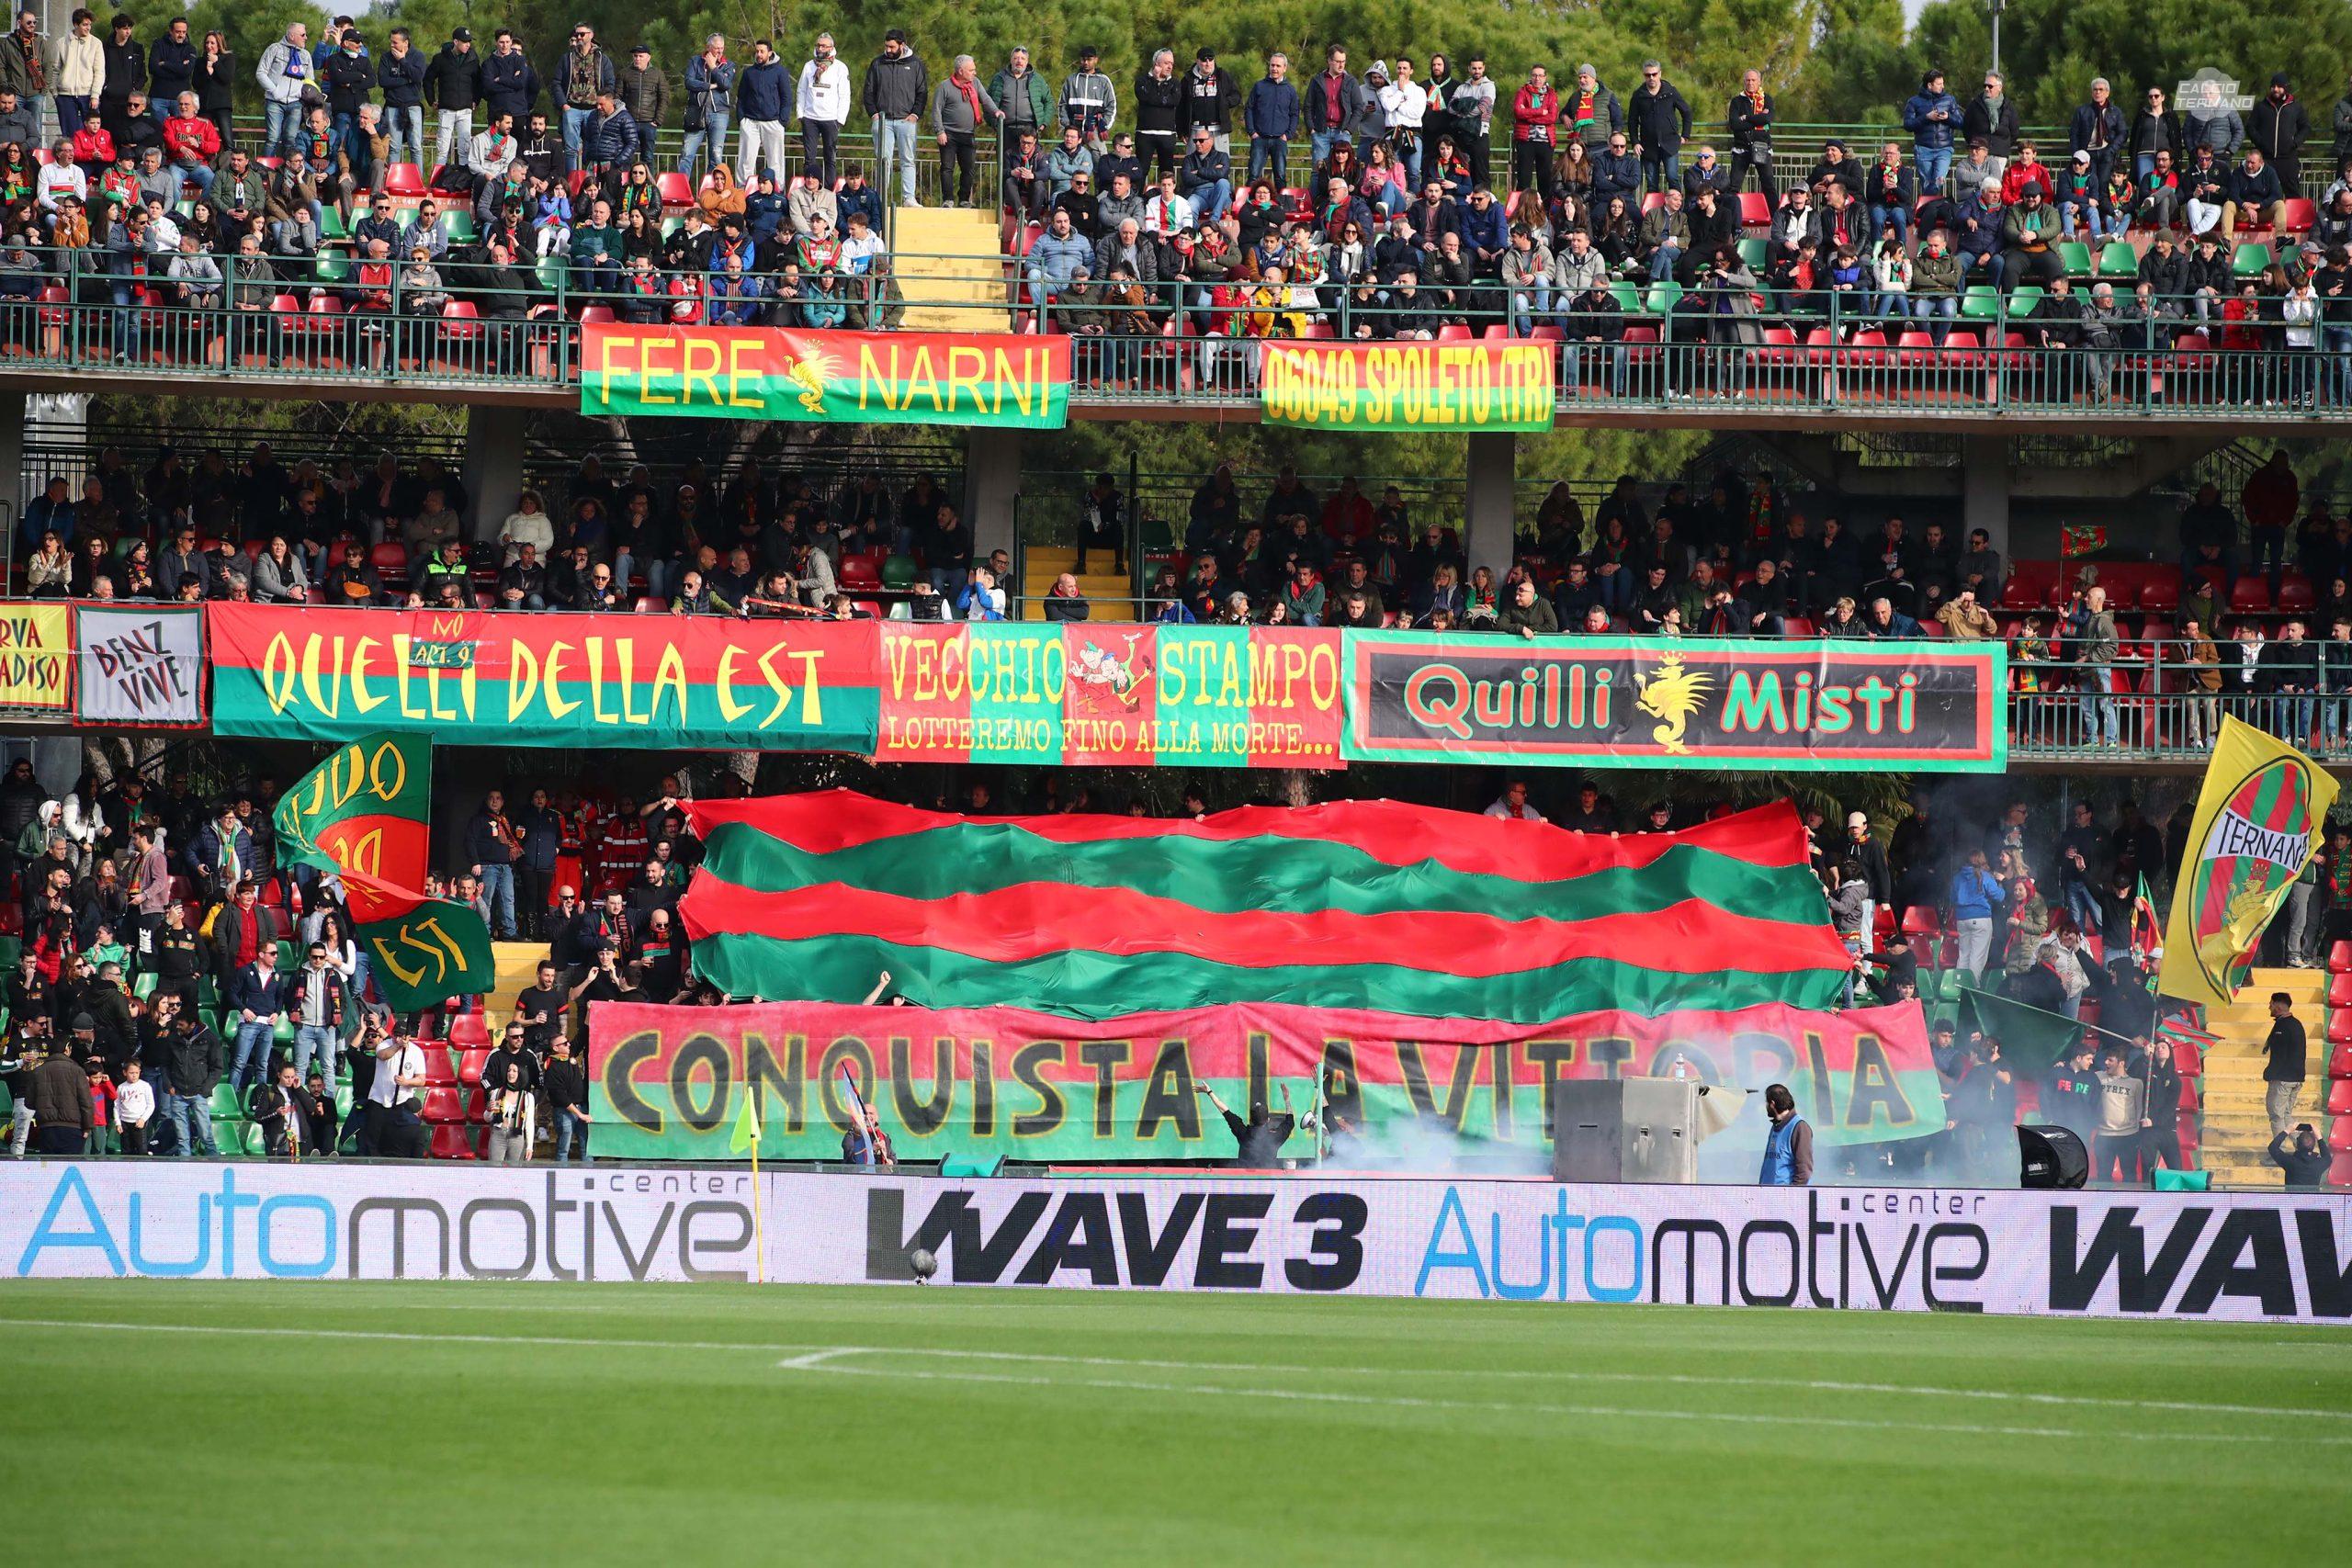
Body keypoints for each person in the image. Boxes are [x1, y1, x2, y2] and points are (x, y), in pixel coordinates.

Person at [365, 1019, 432, 1157]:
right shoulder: (384, 1045)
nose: (398, 1038)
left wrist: (406, 1081)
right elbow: (383, 1056)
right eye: (396, 1034)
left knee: (394, 1142)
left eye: (402, 1035)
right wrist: (398, 1046)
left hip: (401, 1104)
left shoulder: (416, 1052)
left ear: (409, 1036)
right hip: (379, 1100)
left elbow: (421, 1079)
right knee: (373, 1140)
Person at [1196, 1081, 1296, 1168]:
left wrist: (1209, 1092)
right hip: (1268, 1181)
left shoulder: (1243, 1133)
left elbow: (1224, 1110)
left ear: (1250, 1120)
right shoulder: (1276, 1136)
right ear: (1268, 1120)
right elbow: (1290, 1121)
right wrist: (1287, 1099)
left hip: (1244, 1182)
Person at [2263, 990, 2307, 1136]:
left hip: (2283, 1079)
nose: (2269, 1006)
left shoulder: (2283, 1026)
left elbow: (2280, 1055)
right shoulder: (2296, 1024)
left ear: (2279, 1005)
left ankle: (2278, 1153)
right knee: (2286, 1115)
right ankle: (2302, 1147)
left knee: (2276, 1116)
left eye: (2271, 1003)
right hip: (2296, 1077)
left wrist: (2269, 1073)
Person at [546, 1033, 591, 1160]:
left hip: (581, 1106)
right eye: (565, 1044)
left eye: (568, 1042)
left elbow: (580, 1037)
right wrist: (580, 1114)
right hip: (564, 1111)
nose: (569, 1044)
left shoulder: (569, 1055)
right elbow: (561, 1097)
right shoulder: (552, 1068)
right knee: (563, 1149)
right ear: (555, 1048)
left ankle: (590, 1175)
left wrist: (589, 1012)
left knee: (587, 1148)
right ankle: (561, 1178)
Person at [1757, 1082, 1812, 1185]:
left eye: (1767, 1103)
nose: (1766, 1106)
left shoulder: (1799, 1127)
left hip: (1785, 1197)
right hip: (1767, 1194)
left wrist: (1792, 1195)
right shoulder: (1776, 1126)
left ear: (1772, 1104)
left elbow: (1804, 1170)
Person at [2270, 1122, 2332, 1189]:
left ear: (2297, 1144)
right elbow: (2327, 1158)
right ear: (2314, 1145)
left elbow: (2272, 1148)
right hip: (2311, 1198)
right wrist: (2319, 1137)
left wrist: (2287, 1131)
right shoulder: (2319, 1163)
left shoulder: (2290, 1162)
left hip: (2292, 1198)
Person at [114, 1055, 153, 1156]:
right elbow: (116, 1106)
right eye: (131, 1073)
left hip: (139, 1122)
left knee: (141, 1150)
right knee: (126, 1150)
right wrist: (118, 1122)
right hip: (124, 1123)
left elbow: (151, 1105)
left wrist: (143, 1119)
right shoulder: (121, 1087)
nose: (134, 1075)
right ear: (125, 1073)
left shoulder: (145, 1086)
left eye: (136, 1072)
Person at [842, 1100, 895, 1168]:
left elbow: (893, 1157)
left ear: (877, 1117)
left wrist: (890, 1162)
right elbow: (851, 1159)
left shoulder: (884, 1137)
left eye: (871, 1113)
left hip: (879, 1176)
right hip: (858, 1176)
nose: (867, 1116)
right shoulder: (852, 1135)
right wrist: (872, 1149)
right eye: (864, 1114)